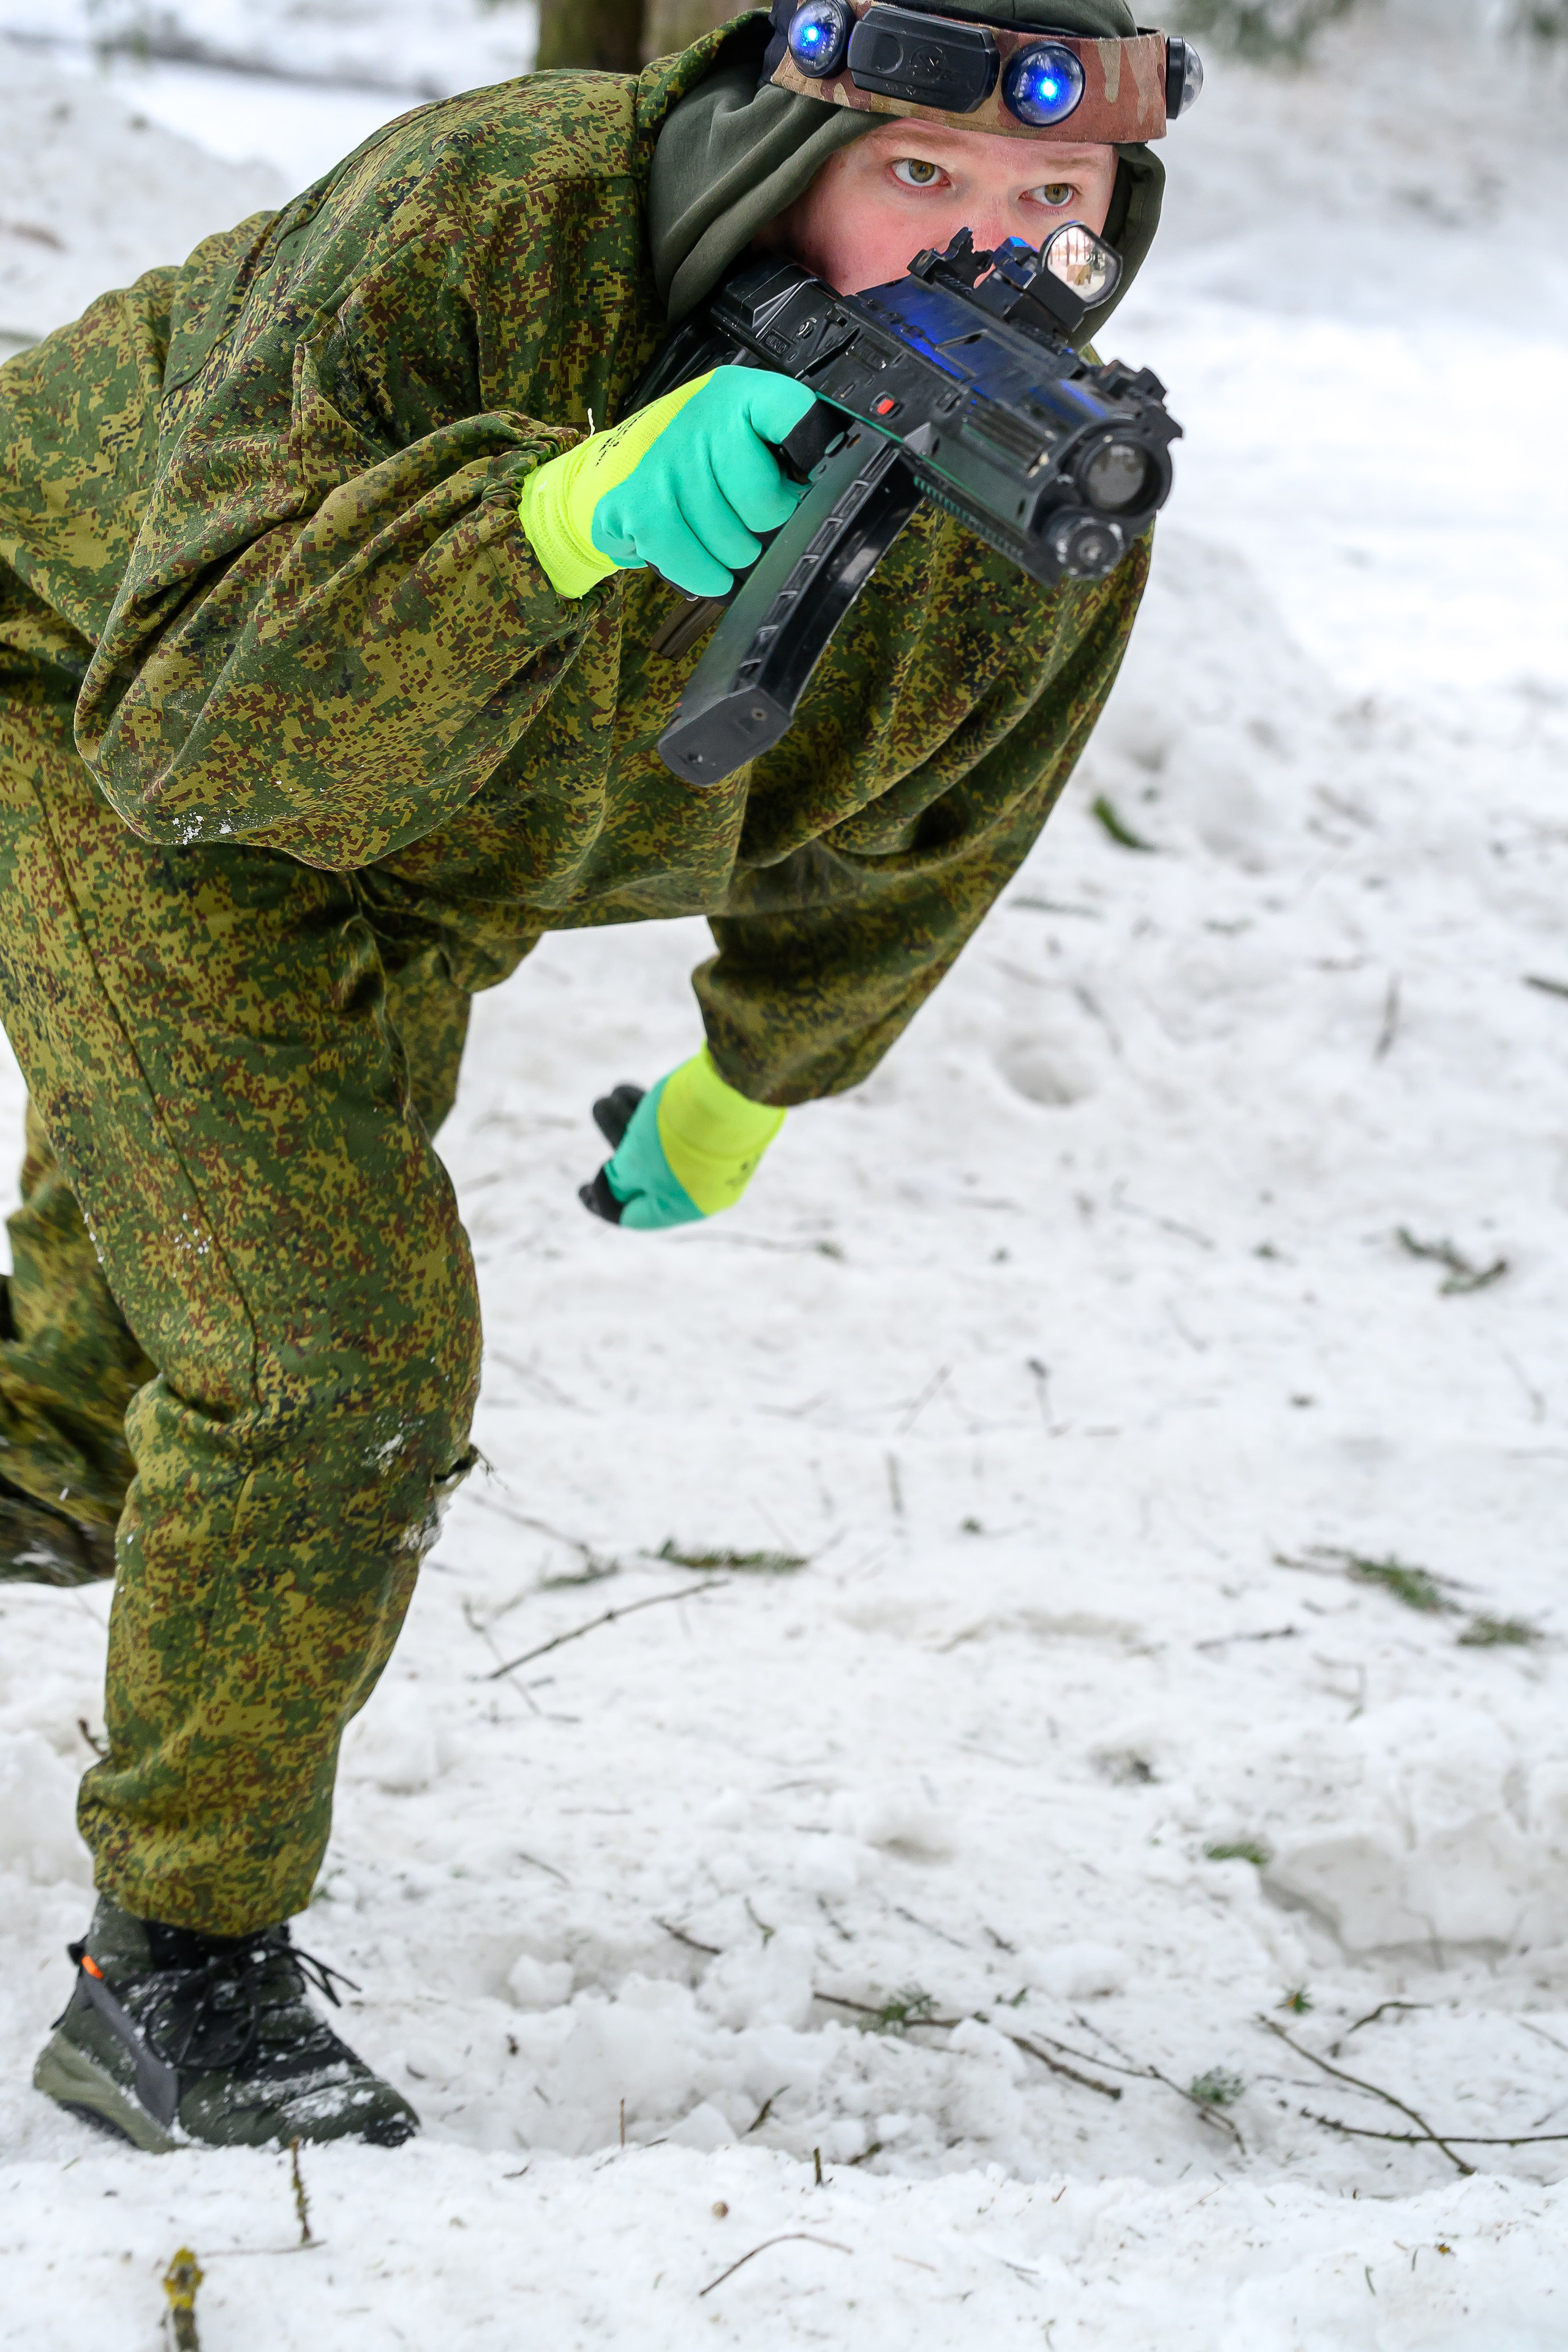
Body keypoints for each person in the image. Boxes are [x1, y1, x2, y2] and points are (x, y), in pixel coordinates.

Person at [0, 0, 1185, 2150]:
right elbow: (190, 717)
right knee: (330, 1361)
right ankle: (177, 1975)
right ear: (768, 151)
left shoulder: (1032, 482)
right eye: (916, 177)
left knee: (111, 1400)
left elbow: (940, 828)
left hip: (422, 836)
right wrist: (561, 519)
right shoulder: (494, 217)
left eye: (1054, 201)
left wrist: (744, 1086)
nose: (989, 253)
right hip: (96, 695)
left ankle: (50, 1462)